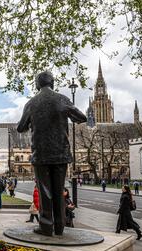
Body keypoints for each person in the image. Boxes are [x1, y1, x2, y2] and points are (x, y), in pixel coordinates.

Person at [17, 71, 87, 236]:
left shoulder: (31, 103)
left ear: (37, 84)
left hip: (41, 153)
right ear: (52, 83)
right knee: (59, 189)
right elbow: (81, 117)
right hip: (60, 152)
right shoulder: (61, 98)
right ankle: (60, 225)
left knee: (45, 190)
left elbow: (21, 127)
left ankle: (46, 225)